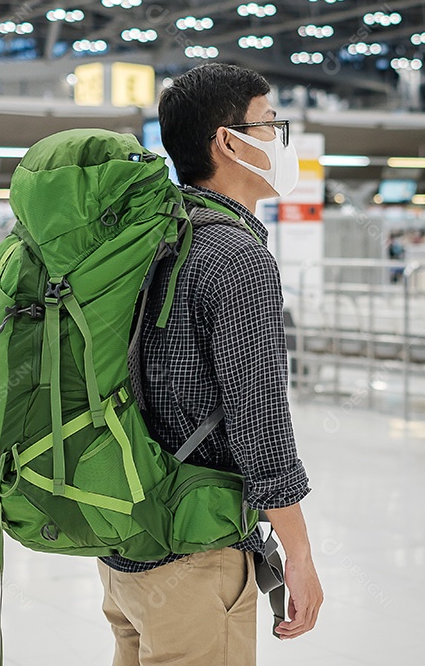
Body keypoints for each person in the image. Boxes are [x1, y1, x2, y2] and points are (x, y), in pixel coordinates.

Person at [97, 63, 323, 666]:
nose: (281, 140)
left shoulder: (151, 238)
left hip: (128, 543)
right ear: (228, 142)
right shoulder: (237, 257)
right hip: (196, 553)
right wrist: (299, 557)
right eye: (271, 124)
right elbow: (261, 423)